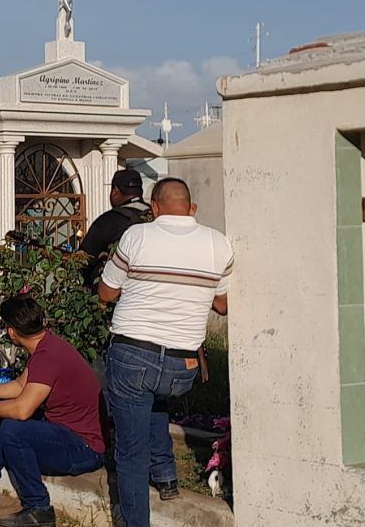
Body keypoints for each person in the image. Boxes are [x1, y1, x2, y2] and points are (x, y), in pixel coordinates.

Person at [98, 178, 233, 527]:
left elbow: (107, 293)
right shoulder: (218, 243)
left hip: (132, 355)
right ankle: (167, 477)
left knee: (129, 452)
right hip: (181, 367)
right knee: (155, 397)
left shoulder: (137, 236)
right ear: (192, 209)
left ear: (154, 208)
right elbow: (222, 304)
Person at [0, 296, 106, 527]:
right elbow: (20, 386)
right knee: (2, 414)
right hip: (67, 434)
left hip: (85, 448)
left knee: (13, 427)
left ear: (11, 332)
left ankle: (38, 507)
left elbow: (21, 410)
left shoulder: (47, 356)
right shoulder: (47, 346)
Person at [78, 169, 152, 289]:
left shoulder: (109, 220)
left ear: (116, 191)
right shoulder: (155, 216)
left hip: (114, 296)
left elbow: (84, 259)